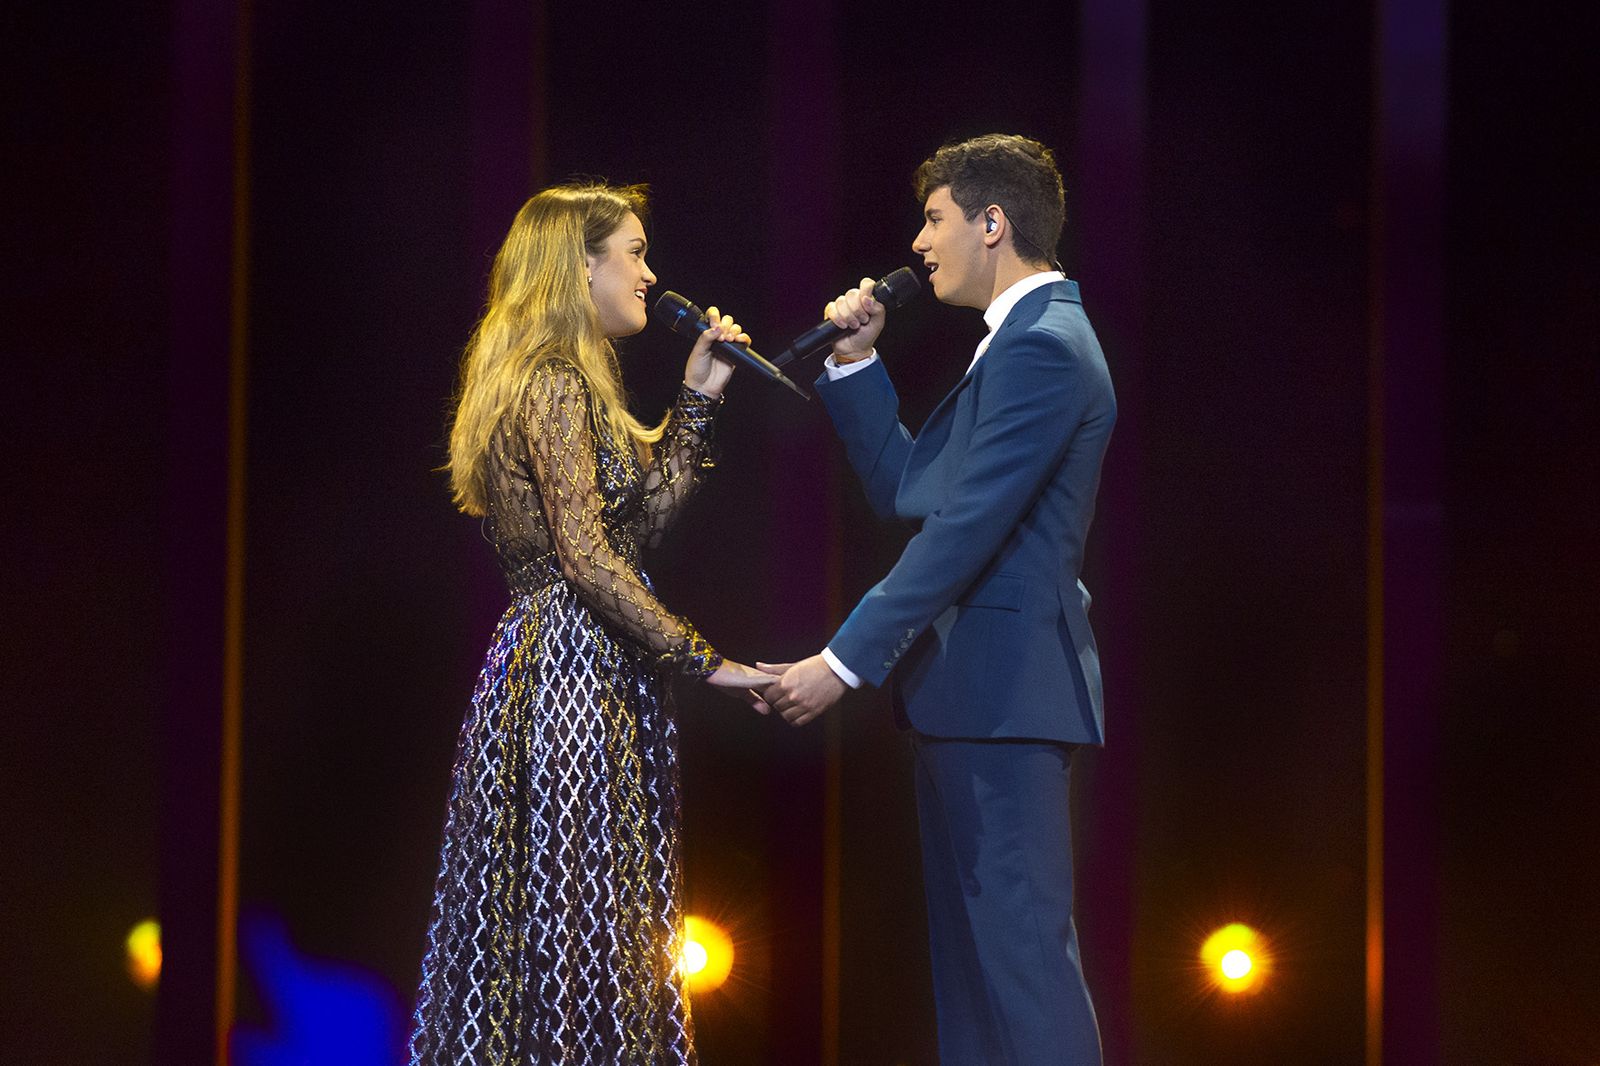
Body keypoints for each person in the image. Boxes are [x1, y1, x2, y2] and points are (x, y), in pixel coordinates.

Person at [762, 134, 1115, 1064]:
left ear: (992, 224)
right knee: (975, 986)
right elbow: (914, 495)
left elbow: (965, 535)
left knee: (1023, 973)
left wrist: (841, 662)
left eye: (935, 219)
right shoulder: (1018, 347)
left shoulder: (1044, 349)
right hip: (968, 699)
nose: (919, 244)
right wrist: (854, 365)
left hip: (1006, 698)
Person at [409, 181, 774, 1064]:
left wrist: (699, 399)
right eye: (635, 253)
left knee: (599, 925)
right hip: (567, 669)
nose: (649, 274)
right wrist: (708, 661)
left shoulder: (572, 382)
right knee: (575, 929)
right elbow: (586, 559)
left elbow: (633, 535)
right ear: (580, 263)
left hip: (591, 664)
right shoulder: (548, 381)